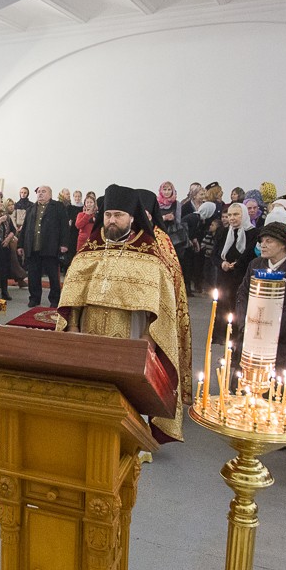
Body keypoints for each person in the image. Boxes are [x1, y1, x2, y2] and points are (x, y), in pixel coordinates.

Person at [58, 184, 192, 442]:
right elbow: (73, 296)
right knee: (90, 382)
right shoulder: (89, 251)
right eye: (108, 215)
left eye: (118, 215)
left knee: (128, 387)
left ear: (132, 217)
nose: (111, 220)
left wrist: (149, 337)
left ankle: (130, 439)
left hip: (131, 334)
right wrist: (72, 326)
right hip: (89, 331)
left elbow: (159, 304)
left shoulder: (150, 253)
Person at [235, 221, 286, 373]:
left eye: (269, 241)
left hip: (284, 344)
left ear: (283, 244)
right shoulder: (255, 264)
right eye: (261, 241)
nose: (262, 245)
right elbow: (242, 295)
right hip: (251, 339)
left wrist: (265, 331)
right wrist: (245, 326)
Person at [18, 185, 67, 307]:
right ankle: (34, 298)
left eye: (43, 191)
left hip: (50, 247)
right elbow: (24, 228)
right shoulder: (31, 208)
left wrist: (64, 244)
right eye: (39, 192)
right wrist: (20, 245)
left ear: (50, 194)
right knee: (33, 276)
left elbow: (64, 227)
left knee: (53, 276)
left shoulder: (58, 207)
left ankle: (55, 300)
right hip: (33, 248)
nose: (40, 194)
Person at [215, 202, 257, 341]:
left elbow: (251, 254)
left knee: (238, 305)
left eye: (236, 214)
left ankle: (237, 334)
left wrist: (237, 264)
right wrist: (222, 263)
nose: (232, 218)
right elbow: (214, 254)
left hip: (242, 276)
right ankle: (222, 334)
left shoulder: (253, 233)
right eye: (229, 215)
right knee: (223, 304)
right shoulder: (223, 232)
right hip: (225, 275)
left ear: (243, 215)